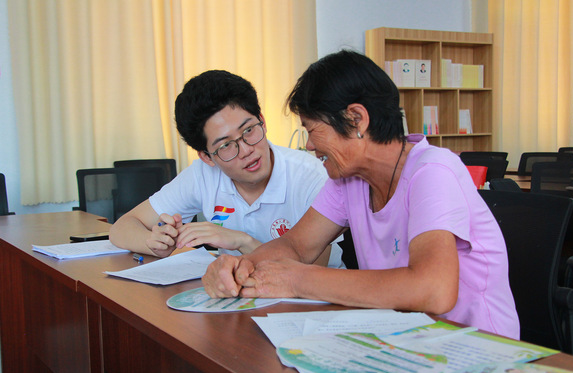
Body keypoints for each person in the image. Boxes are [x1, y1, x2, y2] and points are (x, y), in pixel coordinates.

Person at [203, 50, 520, 339]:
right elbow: (296, 245)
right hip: (408, 340)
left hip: (480, 350)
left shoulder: (433, 171)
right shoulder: (348, 179)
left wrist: (300, 280)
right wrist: (237, 267)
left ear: (356, 119)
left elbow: (434, 291)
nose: (309, 145)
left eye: (312, 130)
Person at [109, 70, 343, 268]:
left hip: (312, 302)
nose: (246, 150)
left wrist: (242, 241)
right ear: (206, 157)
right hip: (241, 297)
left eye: (249, 130)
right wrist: (154, 243)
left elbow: (312, 270)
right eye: (226, 145)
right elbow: (122, 228)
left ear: (262, 120)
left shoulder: (311, 175)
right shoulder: (203, 175)